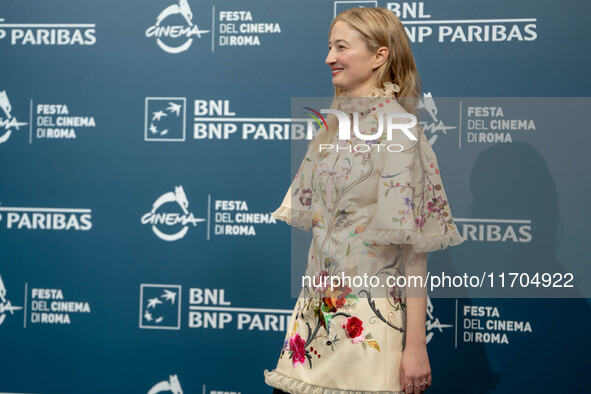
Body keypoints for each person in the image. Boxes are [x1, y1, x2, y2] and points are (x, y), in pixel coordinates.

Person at [264, 7, 464, 394]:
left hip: (367, 338)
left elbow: (414, 253)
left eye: (341, 47)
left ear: (380, 55)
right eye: (328, 47)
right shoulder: (332, 126)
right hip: (311, 334)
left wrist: (416, 347)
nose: (329, 58)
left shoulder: (398, 130)